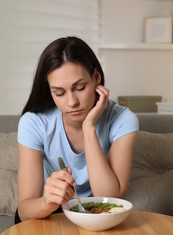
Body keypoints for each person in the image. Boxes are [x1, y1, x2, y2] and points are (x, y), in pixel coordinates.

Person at [15, 36, 139, 223]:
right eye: (59, 93)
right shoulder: (34, 122)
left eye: (80, 88)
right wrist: (48, 202)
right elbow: (25, 210)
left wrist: (88, 127)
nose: (72, 102)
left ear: (96, 78)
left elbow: (111, 198)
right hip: (46, 212)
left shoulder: (123, 120)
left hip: (96, 212)